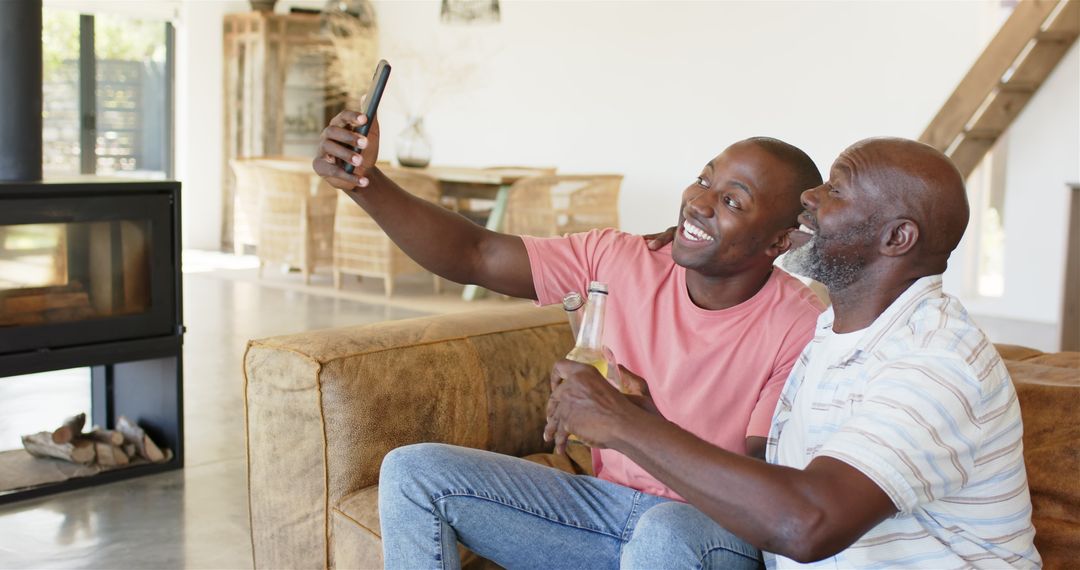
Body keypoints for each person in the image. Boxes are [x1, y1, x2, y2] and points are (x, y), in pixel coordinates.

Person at [313, 110, 824, 568]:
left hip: (710, 533)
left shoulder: (799, 326)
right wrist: (364, 183)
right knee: (413, 472)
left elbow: (763, 485)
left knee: (664, 531)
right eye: (703, 180)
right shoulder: (621, 259)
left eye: (732, 200)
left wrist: (639, 426)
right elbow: (477, 254)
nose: (699, 203)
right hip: (602, 511)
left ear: (780, 241)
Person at [546, 137, 1041, 567]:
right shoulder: (834, 332)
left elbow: (807, 524)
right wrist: (649, 421)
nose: (809, 195)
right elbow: (775, 484)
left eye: (836, 189)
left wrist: (625, 425)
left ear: (896, 238)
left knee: (668, 531)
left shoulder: (936, 362)